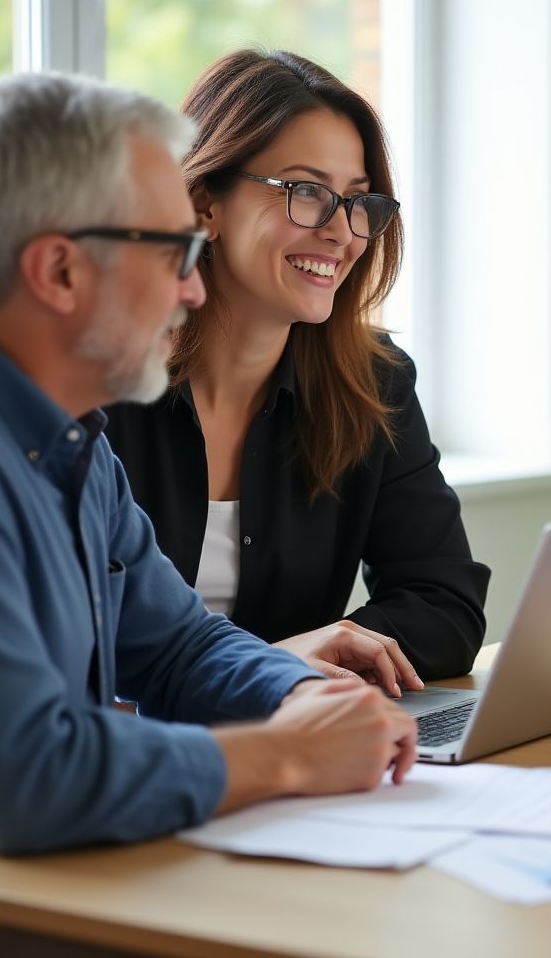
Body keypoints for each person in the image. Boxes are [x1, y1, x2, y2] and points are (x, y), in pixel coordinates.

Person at [0, 70, 416, 856]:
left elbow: (177, 645)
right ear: (59, 272)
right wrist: (287, 754)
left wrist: (302, 693)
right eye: (173, 253)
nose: (194, 290)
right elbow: (26, 775)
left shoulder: (76, 447)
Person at [102, 49, 489, 690]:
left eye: (358, 201)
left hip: (294, 736)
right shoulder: (93, 380)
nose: (342, 232)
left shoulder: (376, 383)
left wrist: (294, 670)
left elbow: (445, 606)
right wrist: (270, 670)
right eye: (307, 192)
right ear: (204, 203)